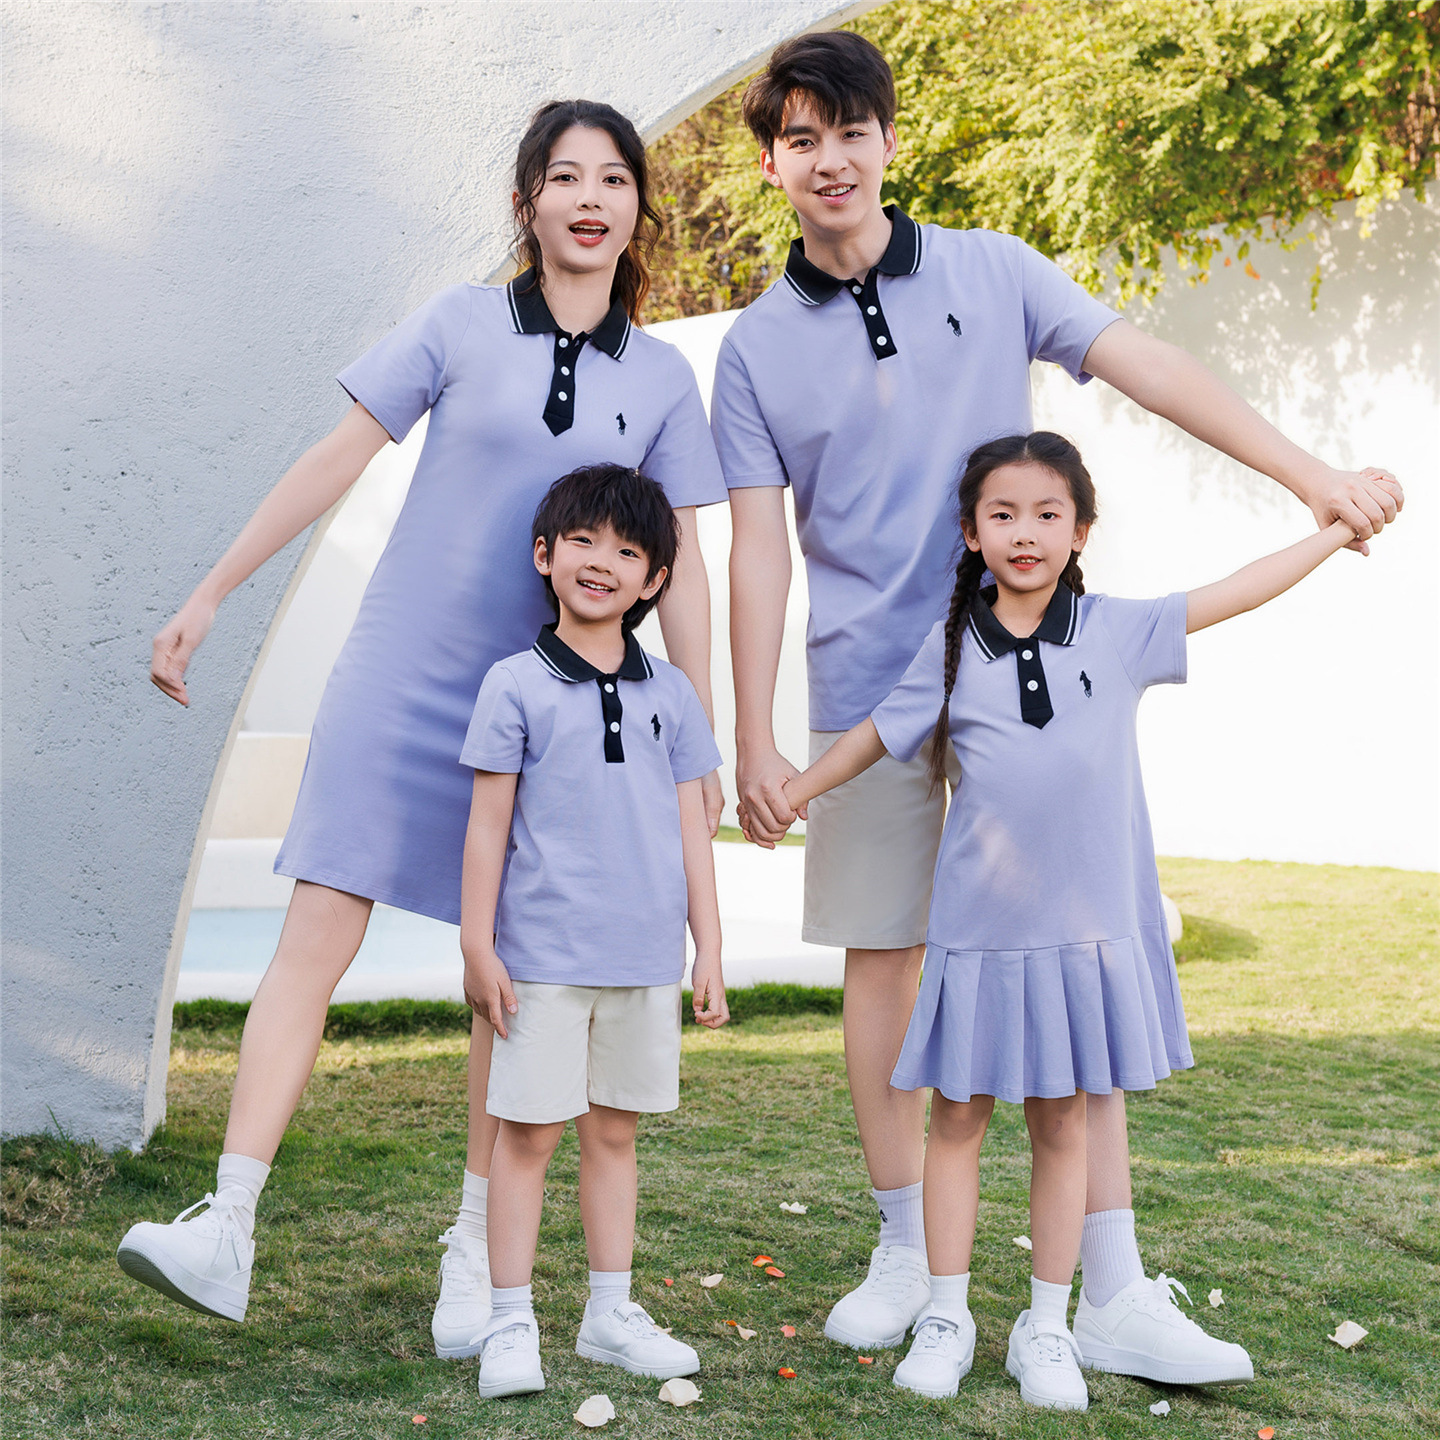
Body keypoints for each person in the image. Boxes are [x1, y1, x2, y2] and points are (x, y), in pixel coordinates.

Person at [713, 29, 1402, 1366]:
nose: (830, 157)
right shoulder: (752, 349)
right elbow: (756, 549)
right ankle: (907, 1249)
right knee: (882, 960)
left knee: (1078, 950)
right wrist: (752, 732)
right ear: (771, 165)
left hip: (1035, 678)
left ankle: (1118, 1292)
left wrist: (1309, 477)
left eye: (850, 130)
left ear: (889, 141)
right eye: (801, 138)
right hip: (866, 683)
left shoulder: (995, 268)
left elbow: (1152, 368)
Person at [119, 100, 728, 1357]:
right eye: (565, 177)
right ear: (526, 204)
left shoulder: (665, 379)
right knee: (312, 940)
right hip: (399, 682)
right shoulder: (456, 322)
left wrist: (702, 735)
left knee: (504, 985)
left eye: (614, 179)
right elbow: (333, 458)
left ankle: (471, 1252)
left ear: (637, 208)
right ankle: (226, 1224)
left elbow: (686, 563)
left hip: (550, 721)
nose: (590, 199)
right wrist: (212, 591)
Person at [774, 430, 1381, 1409]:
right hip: (977, 941)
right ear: (971, 534)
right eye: (1003, 514)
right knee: (957, 1121)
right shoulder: (947, 651)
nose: (1025, 532)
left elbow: (1237, 591)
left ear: (1081, 531)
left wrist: (1332, 531)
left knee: (1064, 1124)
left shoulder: (1117, 632)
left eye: (1047, 514)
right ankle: (946, 1315)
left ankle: (1048, 1326)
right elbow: (872, 737)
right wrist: (793, 792)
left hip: (1079, 945)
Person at [459, 463, 728, 1399]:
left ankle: (609, 1313)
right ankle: (509, 1321)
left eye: (627, 550)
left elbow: (692, 829)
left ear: (655, 579)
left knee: (614, 1136)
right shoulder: (512, 685)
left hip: (644, 962)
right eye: (583, 541)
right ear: (546, 555)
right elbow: (487, 827)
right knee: (527, 1138)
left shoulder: (675, 696)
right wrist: (477, 943)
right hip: (540, 963)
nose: (602, 562)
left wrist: (709, 948)